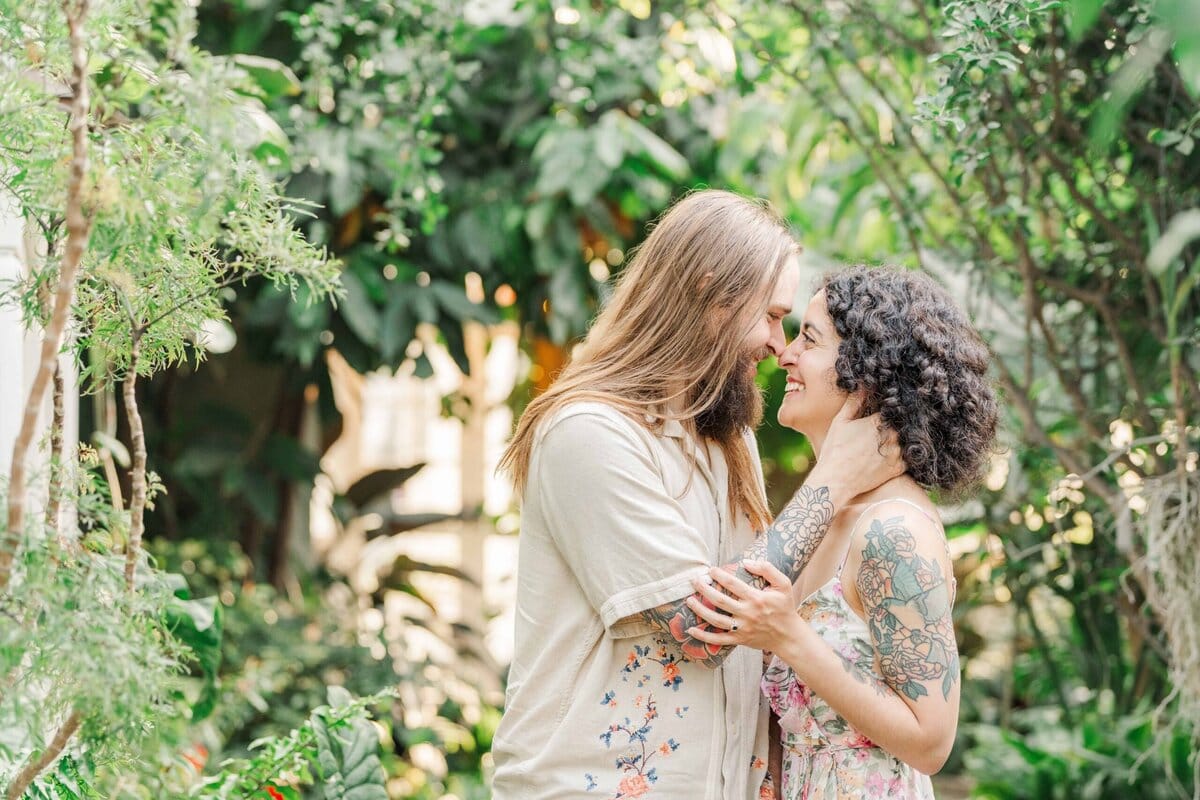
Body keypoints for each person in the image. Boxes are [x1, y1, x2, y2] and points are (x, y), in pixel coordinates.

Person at [491, 192, 904, 800]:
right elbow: (702, 628)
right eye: (770, 314)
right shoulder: (590, 432)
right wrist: (834, 478)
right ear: (711, 294)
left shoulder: (724, 434)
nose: (776, 342)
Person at [683, 266, 999, 799]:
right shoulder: (826, 517)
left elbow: (931, 742)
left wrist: (790, 637)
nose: (784, 355)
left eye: (809, 338)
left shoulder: (893, 531)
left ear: (868, 374)